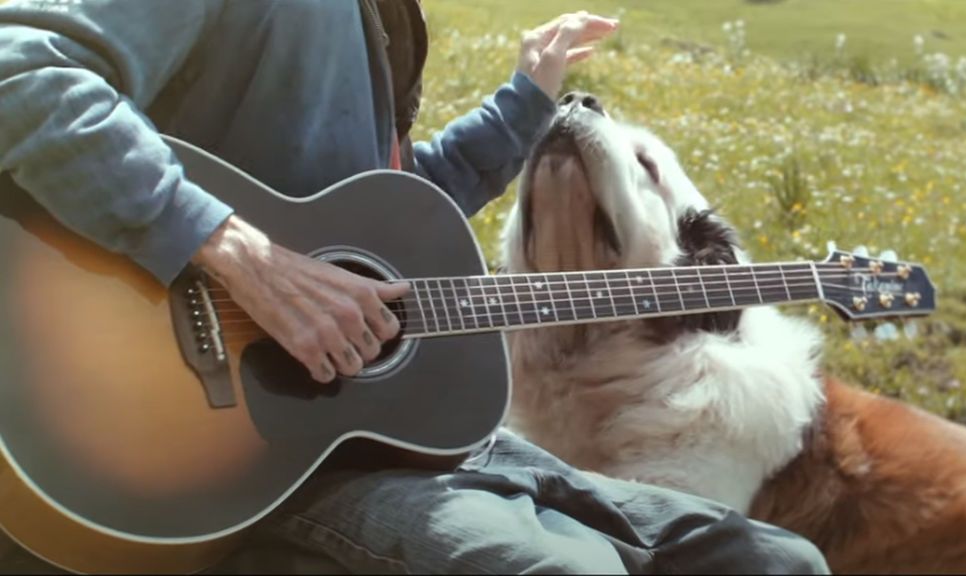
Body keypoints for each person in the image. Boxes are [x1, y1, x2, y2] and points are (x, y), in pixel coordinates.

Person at [0, 1, 830, 573]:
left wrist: (523, 108)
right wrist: (233, 250)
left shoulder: (379, 20)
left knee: (774, 560)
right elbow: (21, 70)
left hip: (381, 429)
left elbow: (371, 217)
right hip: (220, 449)